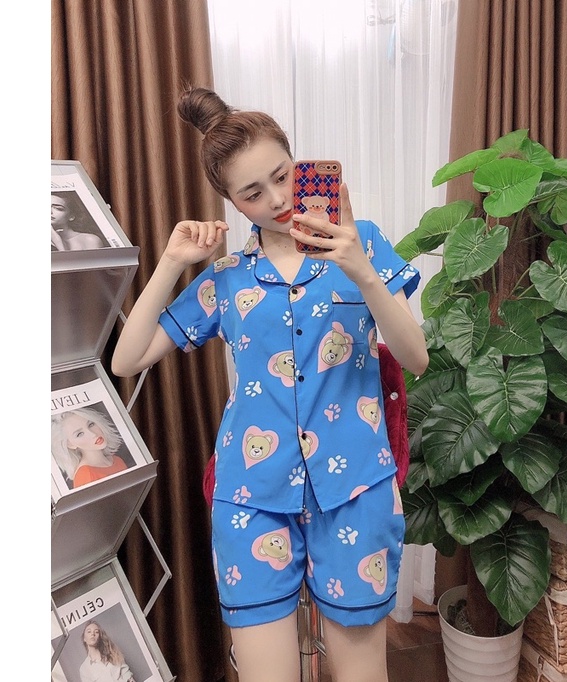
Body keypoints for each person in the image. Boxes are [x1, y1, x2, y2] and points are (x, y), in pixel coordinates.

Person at [111, 85, 429, 682]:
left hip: (356, 490)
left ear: (296, 161)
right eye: (252, 192)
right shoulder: (228, 278)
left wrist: (361, 271)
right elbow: (128, 359)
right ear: (231, 202)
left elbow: (416, 359)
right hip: (251, 497)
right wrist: (173, 261)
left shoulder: (362, 244)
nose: (278, 199)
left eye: (282, 176)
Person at [51, 407, 128, 488]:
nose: (93, 434)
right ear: (70, 444)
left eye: (91, 424)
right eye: (80, 434)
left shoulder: (116, 460)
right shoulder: (85, 475)